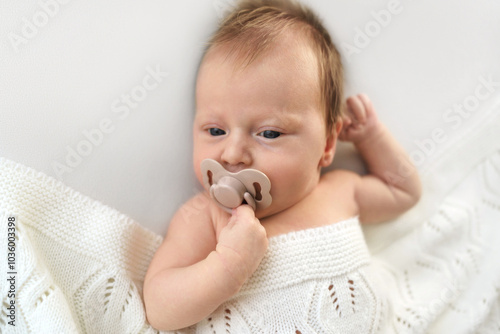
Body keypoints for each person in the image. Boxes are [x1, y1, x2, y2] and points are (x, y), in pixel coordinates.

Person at [143, 0, 421, 331]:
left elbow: (402, 190)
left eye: (269, 133)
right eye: (215, 131)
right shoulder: (206, 218)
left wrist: (371, 138)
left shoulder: (340, 191)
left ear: (328, 145)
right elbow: (160, 308)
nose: (232, 154)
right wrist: (228, 265)